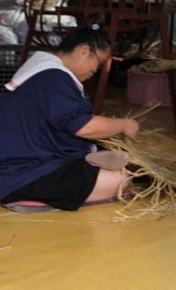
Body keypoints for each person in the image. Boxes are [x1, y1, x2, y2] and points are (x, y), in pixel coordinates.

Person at [0, 26, 140, 211]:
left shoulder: (45, 73)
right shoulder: (53, 77)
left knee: (116, 164)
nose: (94, 71)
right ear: (83, 51)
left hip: (21, 167)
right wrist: (124, 124)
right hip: (21, 176)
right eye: (98, 64)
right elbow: (84, 127)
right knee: (120, 180)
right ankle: (34, 197)